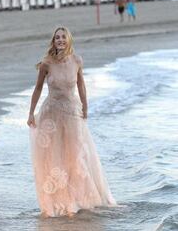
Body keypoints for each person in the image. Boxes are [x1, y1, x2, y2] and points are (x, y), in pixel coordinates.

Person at [27, 27, 117, 217]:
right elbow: (37, 89)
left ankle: (79, 199)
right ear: (53, 41)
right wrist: (31, 113)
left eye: (63, 37)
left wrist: (85, 106)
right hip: (51, 115)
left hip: (72, 112)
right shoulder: (46, 63)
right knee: (54, 158)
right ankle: (62, 201)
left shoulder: (77, 60)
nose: (60, 40)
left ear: (69, 40)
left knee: (76, 156)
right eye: (57, 37)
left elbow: (81, 85)